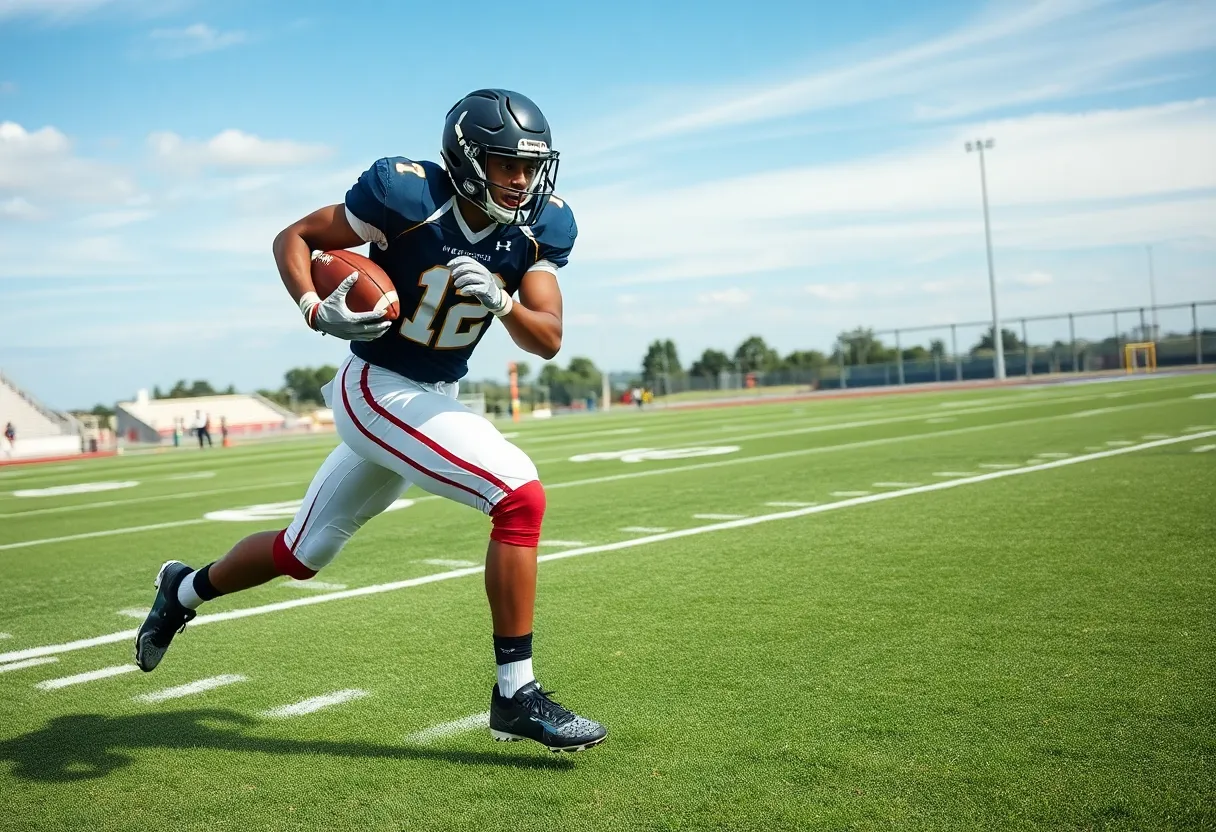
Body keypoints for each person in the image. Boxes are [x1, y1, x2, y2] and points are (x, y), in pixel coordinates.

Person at [134, 89, 605, 753]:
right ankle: (515, 693)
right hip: (376, 384)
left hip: (432, 392)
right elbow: (294, 237)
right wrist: (310, 306)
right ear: (468, 159)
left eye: (530, 166)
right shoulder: (406, 195)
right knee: (518, 493)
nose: (521, 180)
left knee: (304, 553)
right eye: (506, 164)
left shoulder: (540, 226)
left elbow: (548, 338)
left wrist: (503, 302)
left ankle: (180, 590)